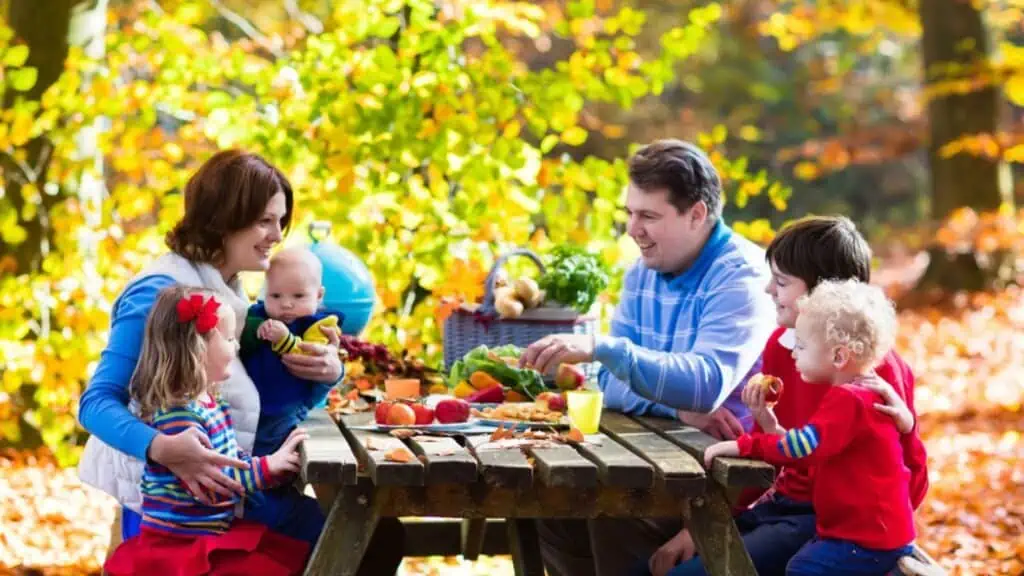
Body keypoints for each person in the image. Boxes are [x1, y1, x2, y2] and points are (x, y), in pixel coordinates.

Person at [77, 150, 404, 574]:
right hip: (183, 512)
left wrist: (327, 374)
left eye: (281, 221)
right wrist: (163, 448)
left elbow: (257, 395)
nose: (277, 234)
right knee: (367, 538)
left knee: (376, 534)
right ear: (224, 217)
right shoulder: (161, 293)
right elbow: (96, 402)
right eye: (265, 221)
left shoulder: (233, 292)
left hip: (238, 488)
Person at [519, 139, 777, 576]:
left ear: (697, 214)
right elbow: (611, 384)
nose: (633, 230)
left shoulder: (742, 276)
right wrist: (674, 405)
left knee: (614, 510)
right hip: (658, 455)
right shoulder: (644, 270)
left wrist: (606, 349)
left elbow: (706, 382)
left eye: (649, 216)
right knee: (552, 507)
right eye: (630, 214)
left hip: (727, 477)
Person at [643, 216, 928, 576]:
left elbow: (905, 480)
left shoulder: (874, 374)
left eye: (780, 281)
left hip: (827, 526)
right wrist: (700, 528)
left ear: (825, 297)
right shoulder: (783, 348)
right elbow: (776, 451)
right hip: (778, 504)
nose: (767, 290)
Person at [703, 279, 918, 576]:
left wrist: (744, 445)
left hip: (868, 538)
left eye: (801, 346)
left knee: (804, 569)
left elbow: (803, 447)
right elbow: (811, 449)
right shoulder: (860, 395)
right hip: (868, 532)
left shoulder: (849, 400)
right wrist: (770, 425)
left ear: (839, 356)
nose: (794, 354)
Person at [105, 286, 311, 576]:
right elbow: (215, 483)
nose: (236, 346)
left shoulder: (212, 404)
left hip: (209, 532)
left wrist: (272, 470)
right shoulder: (180, 416)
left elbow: (231, 457)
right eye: (228, 339)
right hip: (181, 545)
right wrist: (269, 465)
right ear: (197, 349)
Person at [240, 246, 341, 457]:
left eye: (298, 296)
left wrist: (284, 339)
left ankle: (274, 486)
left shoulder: (319, 326)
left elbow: (308, 359)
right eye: (275, 295)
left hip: (288, 409)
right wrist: (253, 331)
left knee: (279, 455)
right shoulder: (257, 315)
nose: (286, 304)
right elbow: (240, 341)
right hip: (250, 407)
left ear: (319, 295)